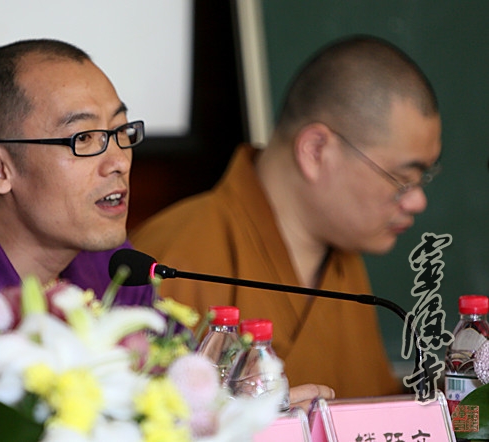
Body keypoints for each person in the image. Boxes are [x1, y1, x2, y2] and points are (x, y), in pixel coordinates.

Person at [0, 38, 332, 411]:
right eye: (84, 137)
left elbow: (176, 404)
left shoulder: (116, 268)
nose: (119, 161)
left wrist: (243, 415)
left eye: (121, 131)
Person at [131, 35, 442, 398]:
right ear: (316, 151)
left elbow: (370, 403)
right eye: (402, 179)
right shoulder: (173, 258)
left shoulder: (343, 257)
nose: (417, 201)